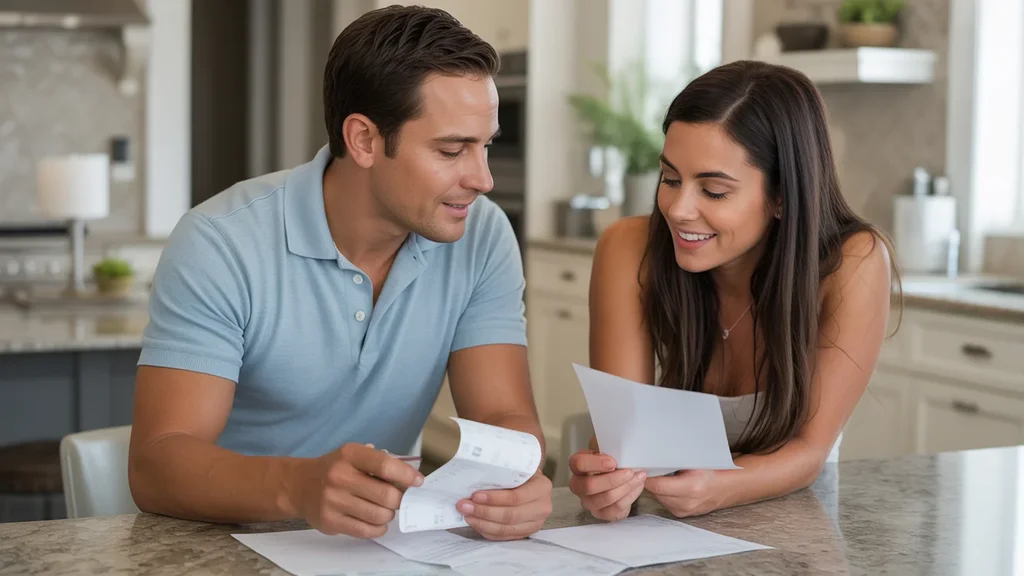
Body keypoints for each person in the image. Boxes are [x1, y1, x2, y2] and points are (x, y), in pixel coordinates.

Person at [128, 5, 552, 541]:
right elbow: (157, 464)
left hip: (384, 546)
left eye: (485, 145)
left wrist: (514, 479)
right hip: (228, 541)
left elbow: (502, 411)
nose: (483, 179)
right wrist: (297, 487)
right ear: (364, 140)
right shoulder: (221, 242)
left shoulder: (481, 234)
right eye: (451, 150)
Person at [568, 60, 898, 521]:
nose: (679, 210)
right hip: (668, 526)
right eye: (670, 179)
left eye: (714, 191)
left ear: (783, 196)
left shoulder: (854, 262)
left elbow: (808, 450)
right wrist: (606, 482)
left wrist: (716, 487)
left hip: (796, 524)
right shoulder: (627, 249)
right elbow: (624, 438)